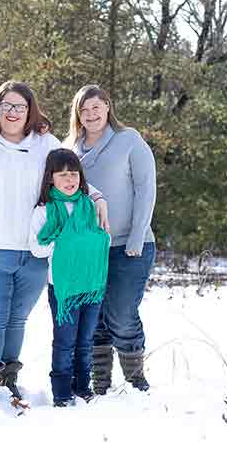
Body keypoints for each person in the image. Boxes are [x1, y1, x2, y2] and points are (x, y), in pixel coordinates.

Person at [0, 81, 108, 404]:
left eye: (20, 107)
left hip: (33, 253)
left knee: (16, 318)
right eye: (6, 106)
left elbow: (71, 174)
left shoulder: (45, 143)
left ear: (30, 111)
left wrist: (96, 197)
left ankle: (8, 377)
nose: (13, 113)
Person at [66, 84, 157, 394]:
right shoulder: (71, 148)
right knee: (95, 317)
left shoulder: (128, 140)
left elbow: (146, 190)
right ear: (77, 114)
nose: (90, 114)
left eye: (96, 107)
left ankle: (135, 381)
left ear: (107, 107)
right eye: (84, 109)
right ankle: (100, 383)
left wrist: (136, 237)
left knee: (121, 312)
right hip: (88, 248)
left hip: (128, 245)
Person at [29, 149, 110, 407]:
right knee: (65, 341)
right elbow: (37, 247)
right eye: (62, 174)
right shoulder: (45, 210)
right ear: (51, 178)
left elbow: (101, 238)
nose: (69, 179)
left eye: (73, 174)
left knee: (85, 340)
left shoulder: (88, 205)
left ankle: (82, 386)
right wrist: (65, 243)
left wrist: (83, 242)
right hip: (63, 286)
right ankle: (62, 392)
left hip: (91, 284)